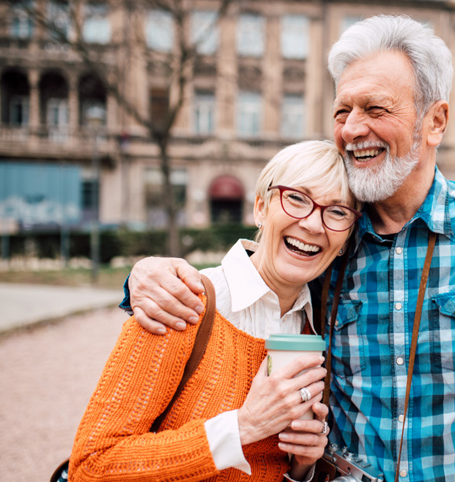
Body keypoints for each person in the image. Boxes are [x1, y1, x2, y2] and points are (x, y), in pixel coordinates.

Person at [125, 16, 455, 481]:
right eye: (342, 111)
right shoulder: (326, 235)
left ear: (435, 121)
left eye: (375, 109)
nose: (352, 129)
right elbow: (251, 277)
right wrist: (144, 277)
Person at [71, 140, 361, 482]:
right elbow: (91, 467)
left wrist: (301, 467)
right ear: (260, 208)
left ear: (346, 240)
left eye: (338, 212)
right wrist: (243, 427)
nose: (314, 224)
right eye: (296, 198)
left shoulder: (314, 332)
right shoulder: (182, 302)